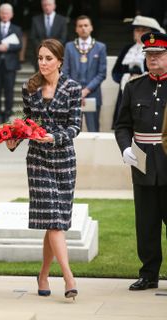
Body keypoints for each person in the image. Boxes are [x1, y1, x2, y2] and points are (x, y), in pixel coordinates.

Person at [7, 39, 81, 299]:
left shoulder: (72, 88)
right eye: (40, 58)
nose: (43, 63)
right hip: (38, 161)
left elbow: (75, 127)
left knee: (55, 222)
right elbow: (27, 122)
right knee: (54, 219)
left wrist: (54, 137)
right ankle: (69, 278)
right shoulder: (29, 87)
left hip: (64, 161)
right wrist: (12, 137)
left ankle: (43, 275)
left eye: (48, 58)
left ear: (60, 61)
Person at [115, 31, 167, 291]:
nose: (152, 59)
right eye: (149, 55)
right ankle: (148, 274)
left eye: (158, 55)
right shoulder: (134, 87)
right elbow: (122, 125)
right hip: (144, 162)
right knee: (146, 222)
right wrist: (125, 148)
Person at [111, 15, 164, 128]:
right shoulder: (127, 49)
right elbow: (115, 72)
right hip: (126, 87)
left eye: (143, 30)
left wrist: (141, 77)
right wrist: (125, 78)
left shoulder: (155, 50)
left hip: (147, 87)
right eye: (137, 30)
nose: (139, 33)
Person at [62, 15, 106, 132]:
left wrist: (86, 91)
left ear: (91, 27)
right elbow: (65, 72)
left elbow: (102, 73)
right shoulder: (69, 46)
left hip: (93, 94)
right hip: (73, 95)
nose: (83, 28)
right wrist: (76, 91)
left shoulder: (100, 47)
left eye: (86, 25)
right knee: (73, 130)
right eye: (80, 26)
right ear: (76, 29)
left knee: (93, 130)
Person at [30, 0, 67, 70]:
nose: (47, 7)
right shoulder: (36, 20)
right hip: (40, 57)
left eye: (49, 5)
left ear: (54, 6)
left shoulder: (62, 20)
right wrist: (43, 48)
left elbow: (63, 38)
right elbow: (33, 38)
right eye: (44, 5)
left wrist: (52, 48)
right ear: (42, 6)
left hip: (56, 56)